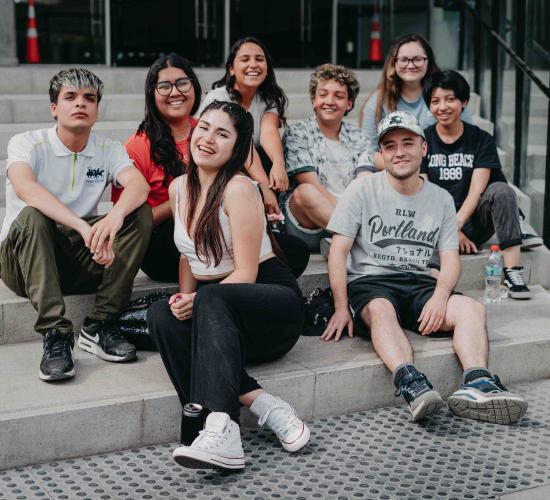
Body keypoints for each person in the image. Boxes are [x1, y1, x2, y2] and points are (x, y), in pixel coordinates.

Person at [322, 110, 528, 425]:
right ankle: (412, 383)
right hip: (370, 282)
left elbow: (449, 259)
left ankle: (478, 383)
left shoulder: (441, 199)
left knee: (472, 309)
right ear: (381, 153)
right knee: (380, 310)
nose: (399, 151)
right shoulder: (361, 190)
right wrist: (340, 307)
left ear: (424, 148)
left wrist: (441, 295)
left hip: (419, 282)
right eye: (389, 146)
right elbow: (338, 252)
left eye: (408, 142)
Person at [147, 101, 310, 470]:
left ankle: (220, 422)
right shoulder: (177, 189)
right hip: (220, 317)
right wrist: (185, 298)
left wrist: (200, 300)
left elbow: (248, 273)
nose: (207, 138)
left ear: (237, 147)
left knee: (211, 297)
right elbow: (188, 255)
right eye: (203, 128)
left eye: (222, 133)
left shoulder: (238, 188)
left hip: (270, 307)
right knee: (160, 314)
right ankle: (261, 405)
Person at [0, 68, 152, 382]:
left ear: (97, 109)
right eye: (70, 97)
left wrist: (115, 216)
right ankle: (55, 333)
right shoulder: (28, 143)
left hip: (79, 257)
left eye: (89, 98)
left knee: (140, 212)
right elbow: (25, 187)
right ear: (54, 107)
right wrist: (84, 228)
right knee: (32, 214)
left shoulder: (107, 149)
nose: (80, 103)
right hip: (22, 262)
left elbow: (139, 186)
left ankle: (98, 325)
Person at [197, 37, 310, 275]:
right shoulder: (218, 98)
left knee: (273, 155)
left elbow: (268, 131)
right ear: (231, 68)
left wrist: (278, 165)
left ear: (267, 67)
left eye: (260, 59)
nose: (253, 64)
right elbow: (241, 145)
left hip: (248, 166)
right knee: (251, 153)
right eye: (245, 59)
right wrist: (264, 186)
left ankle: (270, 225)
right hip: (221, 170)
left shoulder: (267, 98)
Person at [421, 70, 535, 299]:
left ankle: (513, 272)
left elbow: (477, 190)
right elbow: (424, 192)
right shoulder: (423, 140)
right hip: (437, 221)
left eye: (450, 99)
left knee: (502, 190)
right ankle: (431, 286)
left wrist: (459, 225)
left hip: (473, 222)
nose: (442, 107)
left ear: (463, 102)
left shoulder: (481, 139)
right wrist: (453, 230)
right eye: (435, 101)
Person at [112, 54, 202, 282]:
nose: (175, 92)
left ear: (194, 86)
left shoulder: (208, 131)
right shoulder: (138, 146)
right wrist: (183, 196)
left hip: (211, 227)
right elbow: (130, 223)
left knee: (294, 253)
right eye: (164, 86)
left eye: (182, 83)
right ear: (152, 94)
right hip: (163, 242)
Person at [281, 63, 375, 252]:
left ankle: (341, 243)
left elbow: (365, 183)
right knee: (305, 192)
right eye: (323, 94)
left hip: (353, 219)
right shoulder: (298, 133)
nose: (329, 101)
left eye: (338, 96)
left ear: (349, 103)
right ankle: (363, 244)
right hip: (309, 225)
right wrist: (350, 218)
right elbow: (311, 186)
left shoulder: (360, 137)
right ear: (314, 100)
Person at [360, 33, 472, 170]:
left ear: (428, 61)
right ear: (393, 63)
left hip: (443, 171)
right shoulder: (378, 101)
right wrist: (409, 172)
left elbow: (467, 139)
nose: (411, 65)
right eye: (403, 60)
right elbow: (369, 152)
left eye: (418, 59)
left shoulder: (448, 97)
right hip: (397, 175)